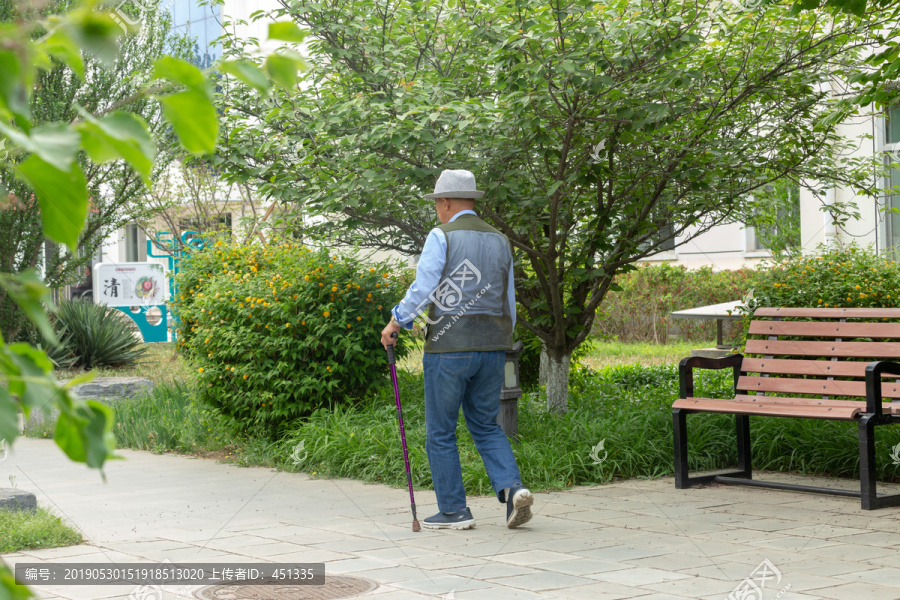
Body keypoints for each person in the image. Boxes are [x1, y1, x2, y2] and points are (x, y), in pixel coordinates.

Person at [381, 169, 533, 530]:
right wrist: (503, 339)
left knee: (441, 430)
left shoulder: (442, 235)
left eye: (437, 203)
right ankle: (513, 491)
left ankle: (453, 511)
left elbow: (424, 286)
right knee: (486, 425)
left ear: (446, 202)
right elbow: (508, 299)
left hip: (449, 349)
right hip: (494, 346)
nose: (437, 210)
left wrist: (396, 321)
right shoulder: (500, 239)